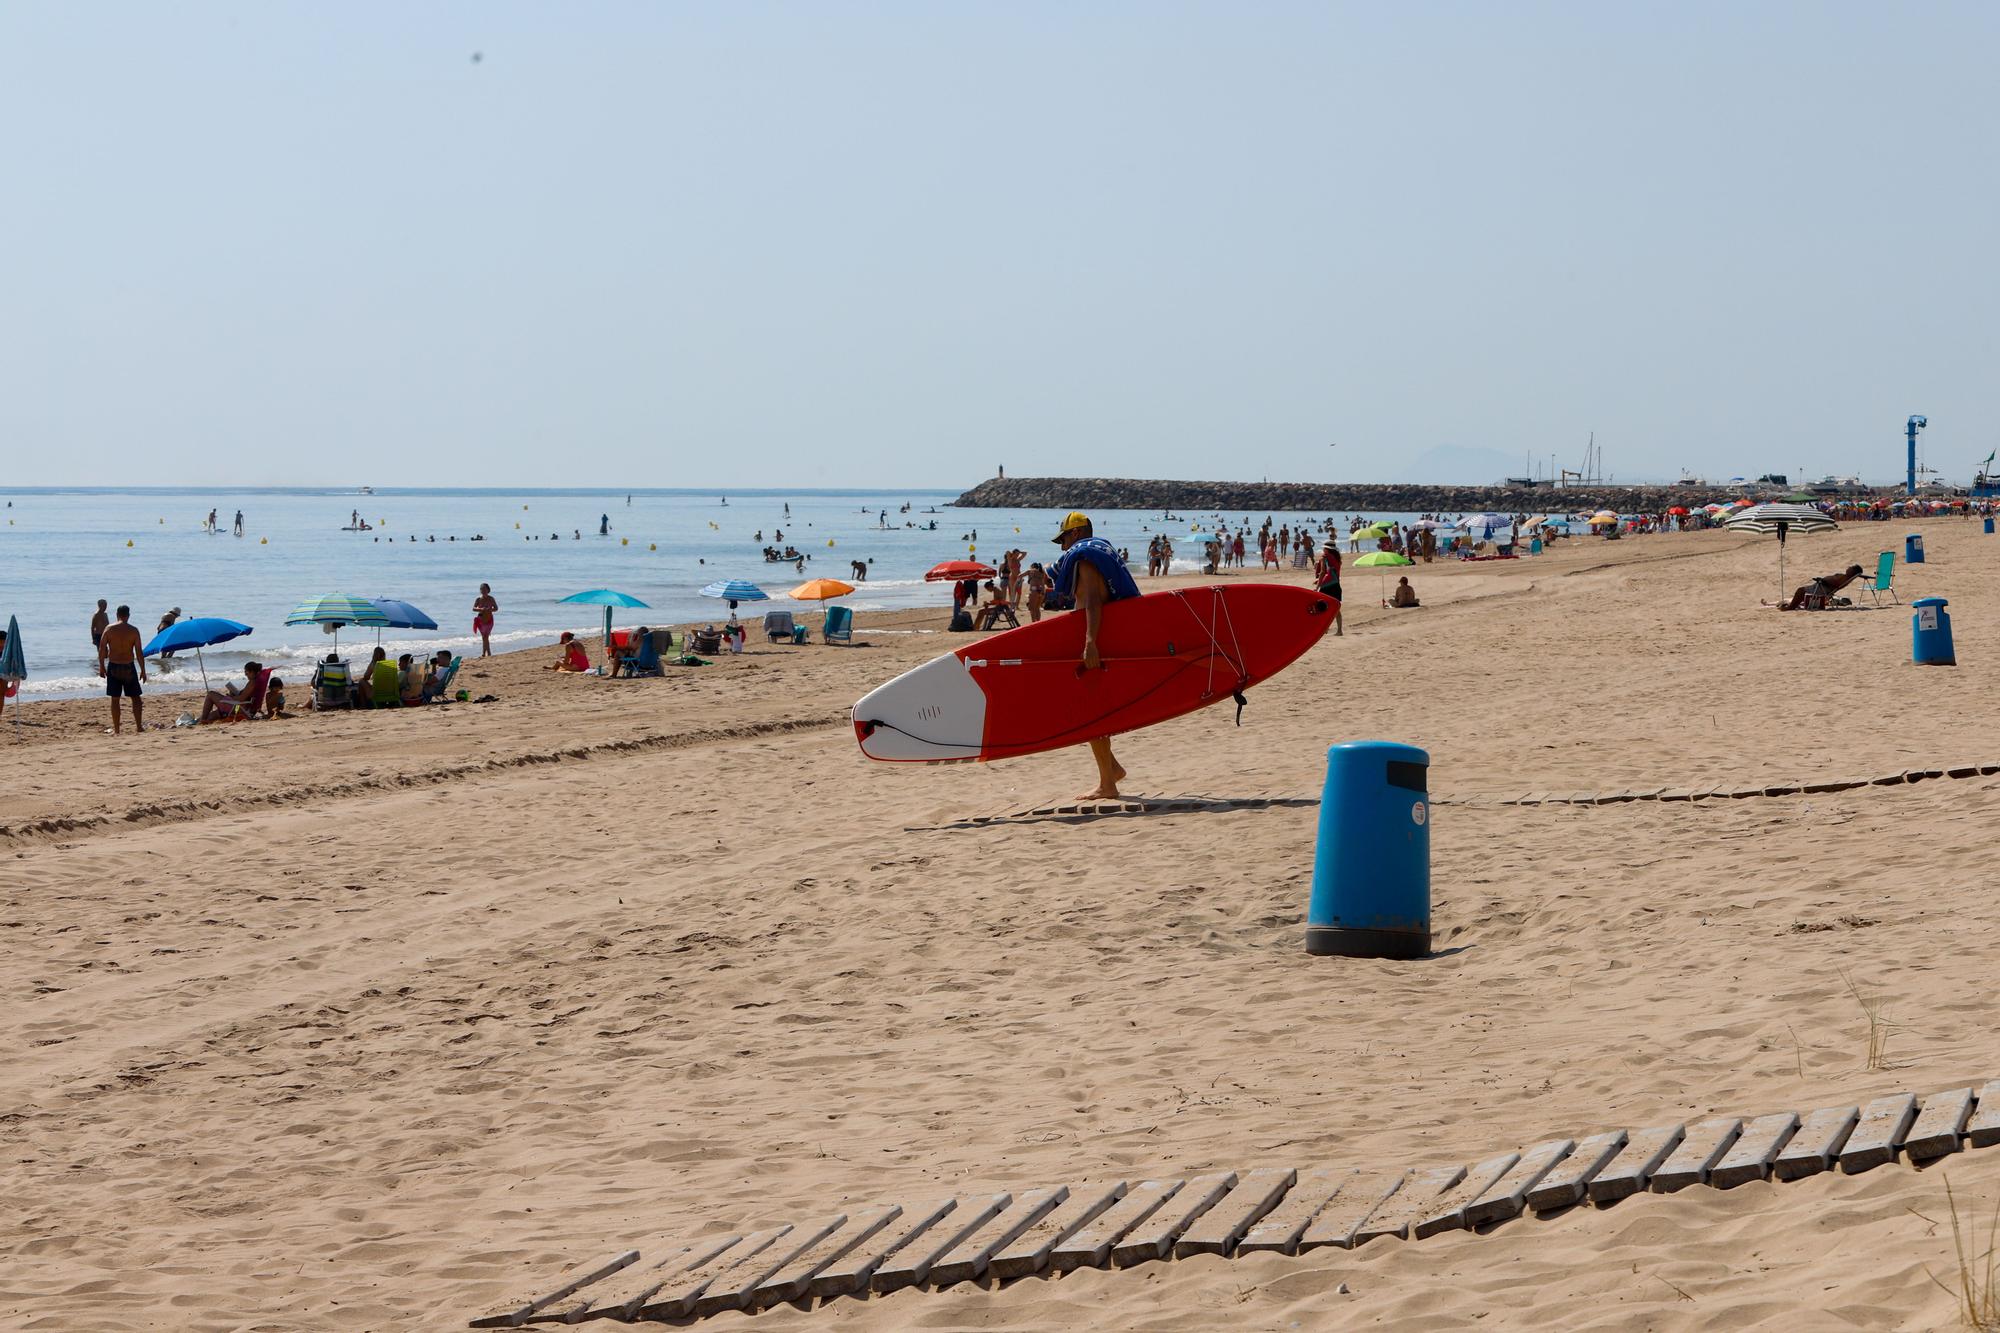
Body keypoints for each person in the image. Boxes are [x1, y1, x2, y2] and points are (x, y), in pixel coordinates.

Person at [1048, 511, 1141, 799]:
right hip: (1103, 641)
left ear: (1076, 534)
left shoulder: (1086, 560)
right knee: (1093, 712)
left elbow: (1092, 601)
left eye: (1064, 539)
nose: (1063, 547)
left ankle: (1108, 783)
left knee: (1090, 713)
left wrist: (1090, 641)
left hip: (1096, 643)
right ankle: (1111, 770)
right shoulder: (1098, 555)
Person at [97, 605, 147, 734]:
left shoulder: (109, 629)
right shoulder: (133, 630)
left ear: (117, 615)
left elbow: (102, 649)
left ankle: (117, 729)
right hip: (129, 666)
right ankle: (139, 726)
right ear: (128, 615)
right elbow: (138, 652)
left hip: (114, 666)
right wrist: (143, 669)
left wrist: (101, 666)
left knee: (115, 699)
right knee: (136, 698)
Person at [1780, 564, 1866, 611]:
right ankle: (1792, 606)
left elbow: (1834, 583)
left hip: (1823, 587)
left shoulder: (1845, 578)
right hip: (1823, 586)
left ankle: (1790, 607)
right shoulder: (1846, 577)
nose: (1848, 567)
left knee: (1800, 591)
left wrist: (1822, 580)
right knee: (1801, 591)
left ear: (1853, 572)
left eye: (1851, 568)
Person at [1313, 539, 1345, 637]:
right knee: (1336, 608)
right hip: (1336, 585)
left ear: (1327, 549)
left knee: (1322, 607)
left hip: (1327, 586)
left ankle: (1324, 629)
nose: (1323, 550)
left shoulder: (1324, 558)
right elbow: (1332, 573)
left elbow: (1323, 572)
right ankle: (1339, 630)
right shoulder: (1337, 559)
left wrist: (1318, 586)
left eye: (1324, 548)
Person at [473, 584, 497, 657]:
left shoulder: (491, 599)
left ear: (488, 590)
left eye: (485, 589)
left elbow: (496, 608)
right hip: (480, 619)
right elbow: (473, 608)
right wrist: (480, 609)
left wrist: (490, 609)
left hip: (489, 619)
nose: (483, 591)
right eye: (481, 589)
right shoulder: (478, 599)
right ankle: (486, 653)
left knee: (486, 636)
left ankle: (486, 653)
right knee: (484, 637)